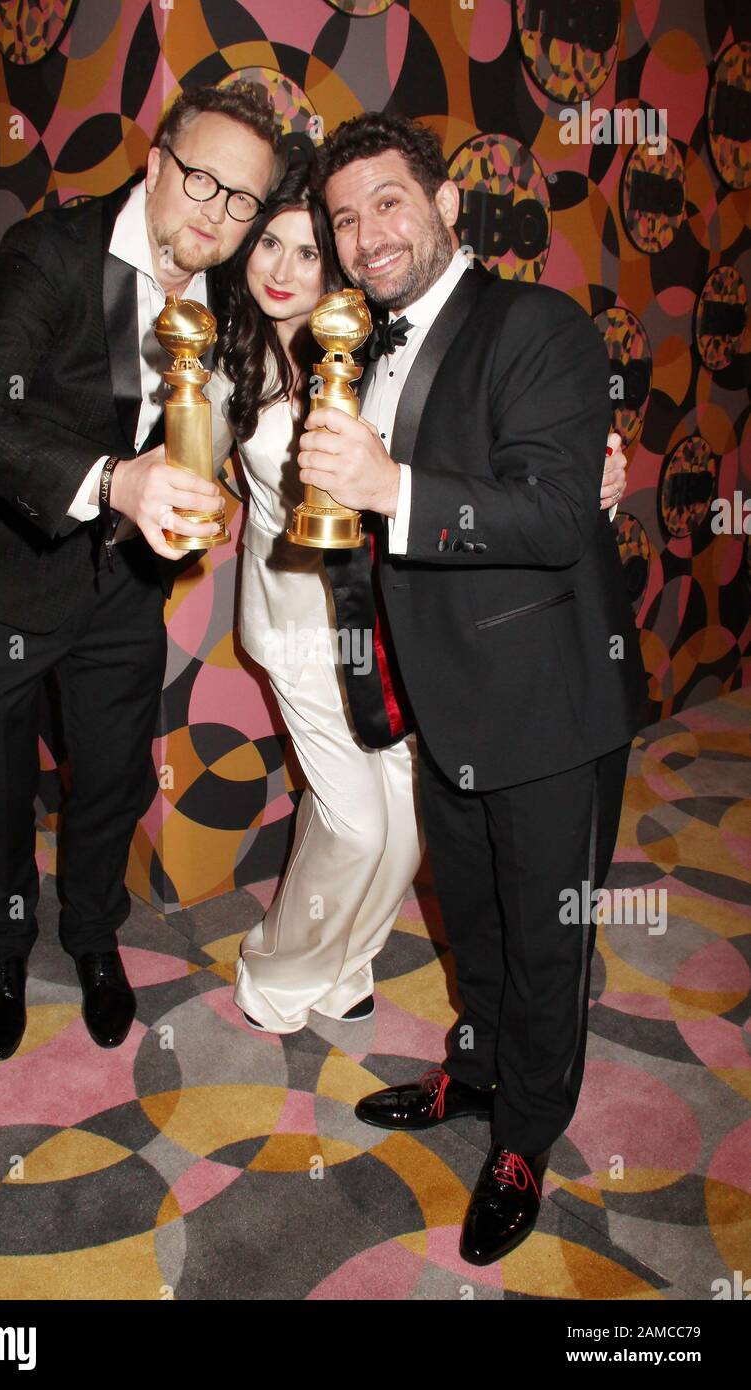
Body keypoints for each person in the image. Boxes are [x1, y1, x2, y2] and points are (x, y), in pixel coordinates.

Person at [296, 112, 647, 1265]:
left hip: (548, 700)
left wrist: (388, 482)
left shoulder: (534, 322)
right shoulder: (360, 343)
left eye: (387, 201)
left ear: (448, 206)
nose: (365, 234)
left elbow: (553, 515)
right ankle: (477, 1068)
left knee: (549, 936)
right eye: (344, 216)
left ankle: (526, 1138)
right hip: (443, 695)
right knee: (476, 917)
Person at [204, 158, 629, 1034]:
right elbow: (177, 465)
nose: (283, 270)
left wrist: (595, 468)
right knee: (356, 820)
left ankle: (348, 959)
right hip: (294, 623)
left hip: (394, 614)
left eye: (309, 251)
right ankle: (277, 973)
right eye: (267, 246)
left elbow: (476, 446)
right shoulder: (226, 367)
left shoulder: (367, 346)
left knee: (405, 809)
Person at [0, 82, 283, 1062]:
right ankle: (4, 939)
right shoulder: (51, 254)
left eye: (241, 199)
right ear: (158, 162)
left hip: (121, 587)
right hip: (0, 574)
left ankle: (90, 934)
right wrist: (111, 480)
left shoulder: (230, 290)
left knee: (112, 783)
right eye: (202, 180)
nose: (216, 212)